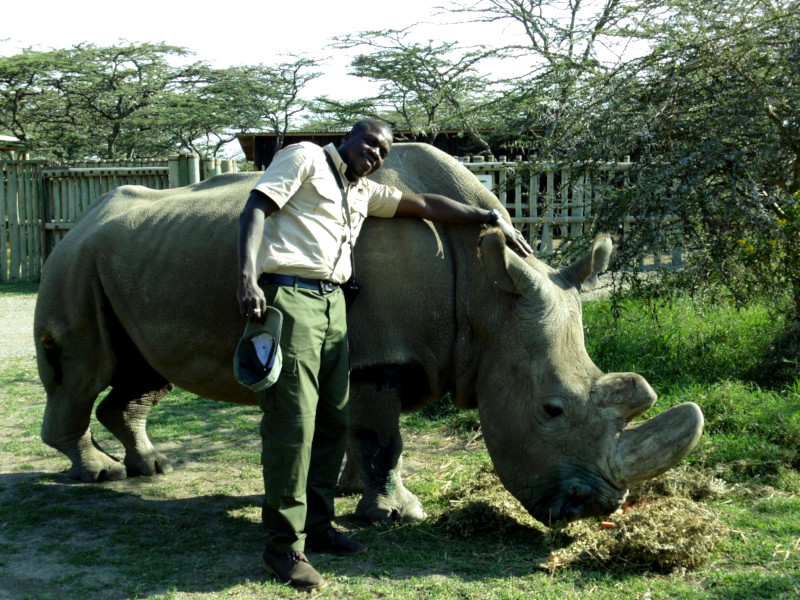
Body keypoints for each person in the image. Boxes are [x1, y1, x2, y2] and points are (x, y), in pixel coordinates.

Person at [236, 119, 531, 591]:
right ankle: (282, 547)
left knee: (333, 419)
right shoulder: (306, 157)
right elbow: (256, 208)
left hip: (334, 304)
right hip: (289, 294)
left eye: (383, 153)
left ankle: (318, 526)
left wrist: (487, 217)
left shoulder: (361, 191)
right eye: (370, 144)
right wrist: (248, 278)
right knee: (293, 423)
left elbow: (426, 204)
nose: (375, 155)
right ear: (350, 137)